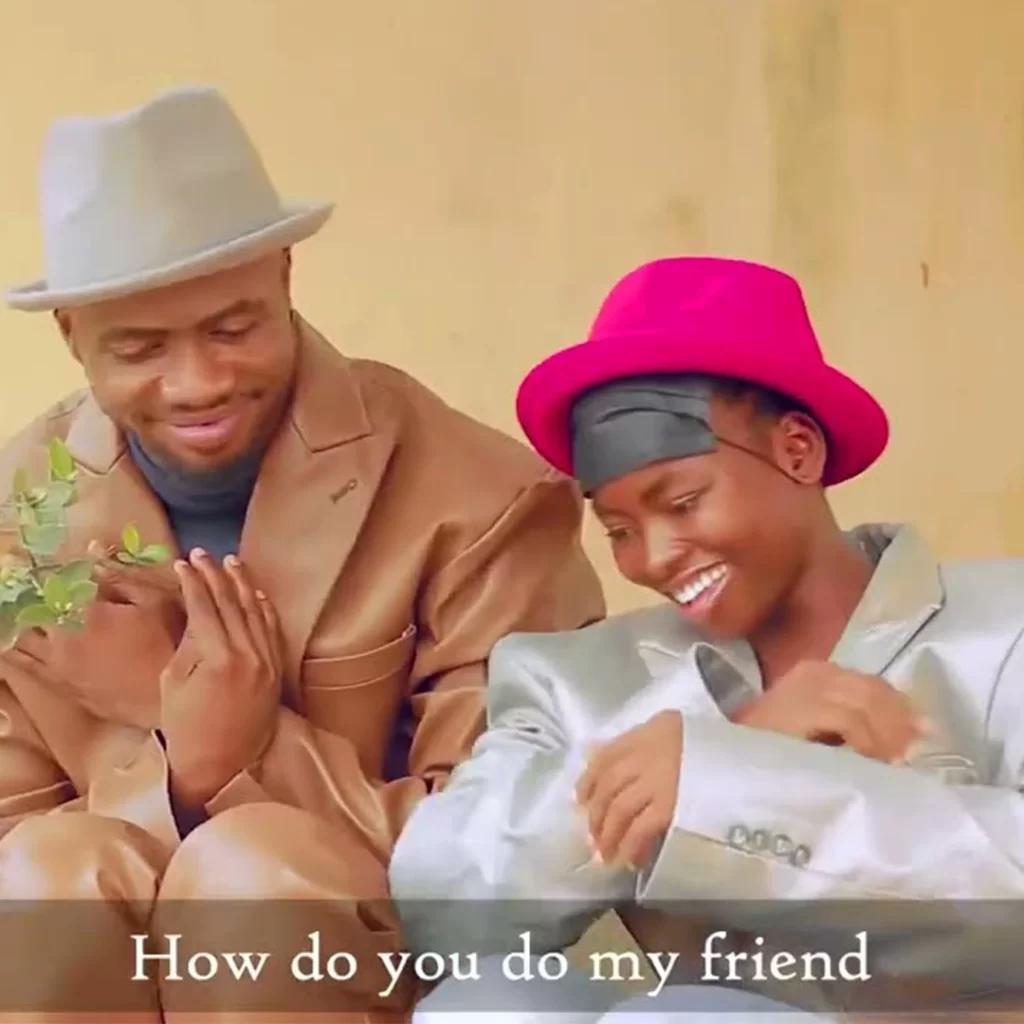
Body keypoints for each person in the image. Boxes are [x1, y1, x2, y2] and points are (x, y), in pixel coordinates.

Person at [0, 84, 605, 1022]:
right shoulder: (18, 524)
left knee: (251, 876)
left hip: (372, 967)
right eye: (141, 348)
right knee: (46, 876)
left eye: (231, 328)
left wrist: (230, 742)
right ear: (72, 335)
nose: (197, 383)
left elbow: (510, 856)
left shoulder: (481, 501)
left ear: (285, 276)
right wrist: (175, 774)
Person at [389, 256, 1024, 1022]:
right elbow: (447, 913)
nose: (652, 558)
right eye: (618, 530)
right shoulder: (572, 679)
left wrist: (738, 778)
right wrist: (706, 734)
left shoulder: (1007, 628)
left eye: (683, 502)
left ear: (798, 451)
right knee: (490, 1002)